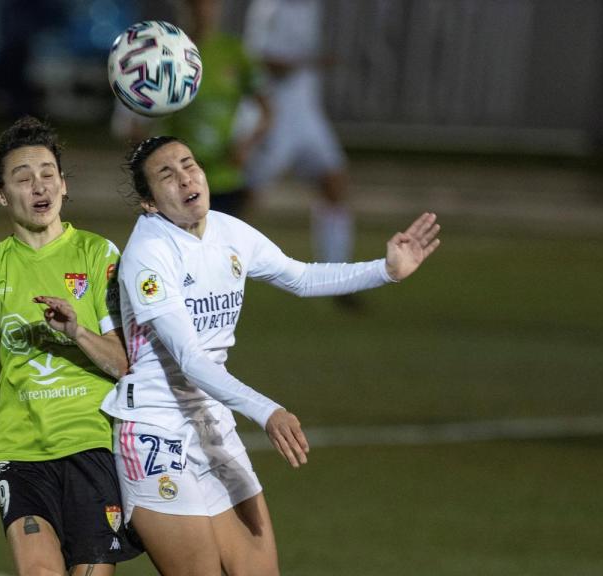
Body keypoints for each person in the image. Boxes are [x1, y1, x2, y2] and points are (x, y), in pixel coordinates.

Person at [101, 135, 440, 576]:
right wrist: (268, 411)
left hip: (211, 421)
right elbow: (191, 359)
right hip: (155, 429)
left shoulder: (228, 231)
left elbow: (300, 277)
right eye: (167, 174)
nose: (186, 177)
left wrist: (386, 270)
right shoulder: (149, 253)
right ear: (148, 202)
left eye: (189, 164)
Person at [0, 117, 142, 575]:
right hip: (20, 452)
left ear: (64, 184)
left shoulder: (98, 254)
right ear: (1, 193)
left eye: (48, 174)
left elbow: (123, 362)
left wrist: (76, 331)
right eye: (23, 178)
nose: (38, 186)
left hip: (92, 446)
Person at [111, 0, 272, 215]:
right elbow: (136, 116)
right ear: (184, 8)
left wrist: (247, 145)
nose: (203, 11)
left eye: (209, 5)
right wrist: (144, 144)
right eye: (196, 5)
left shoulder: (234, 52)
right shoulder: (165, 53)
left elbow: (267, 111)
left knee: (224, 246)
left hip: (223, 174)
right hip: (177, 180)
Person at [241, 0, 355, 269]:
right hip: (275, 116)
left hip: (307, 114)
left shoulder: (310, 6)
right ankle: (208, 257)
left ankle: (336, 272)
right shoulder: (270, 8)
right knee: (245, 196)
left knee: (334, 184)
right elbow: (259, 60)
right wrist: (313, 62)